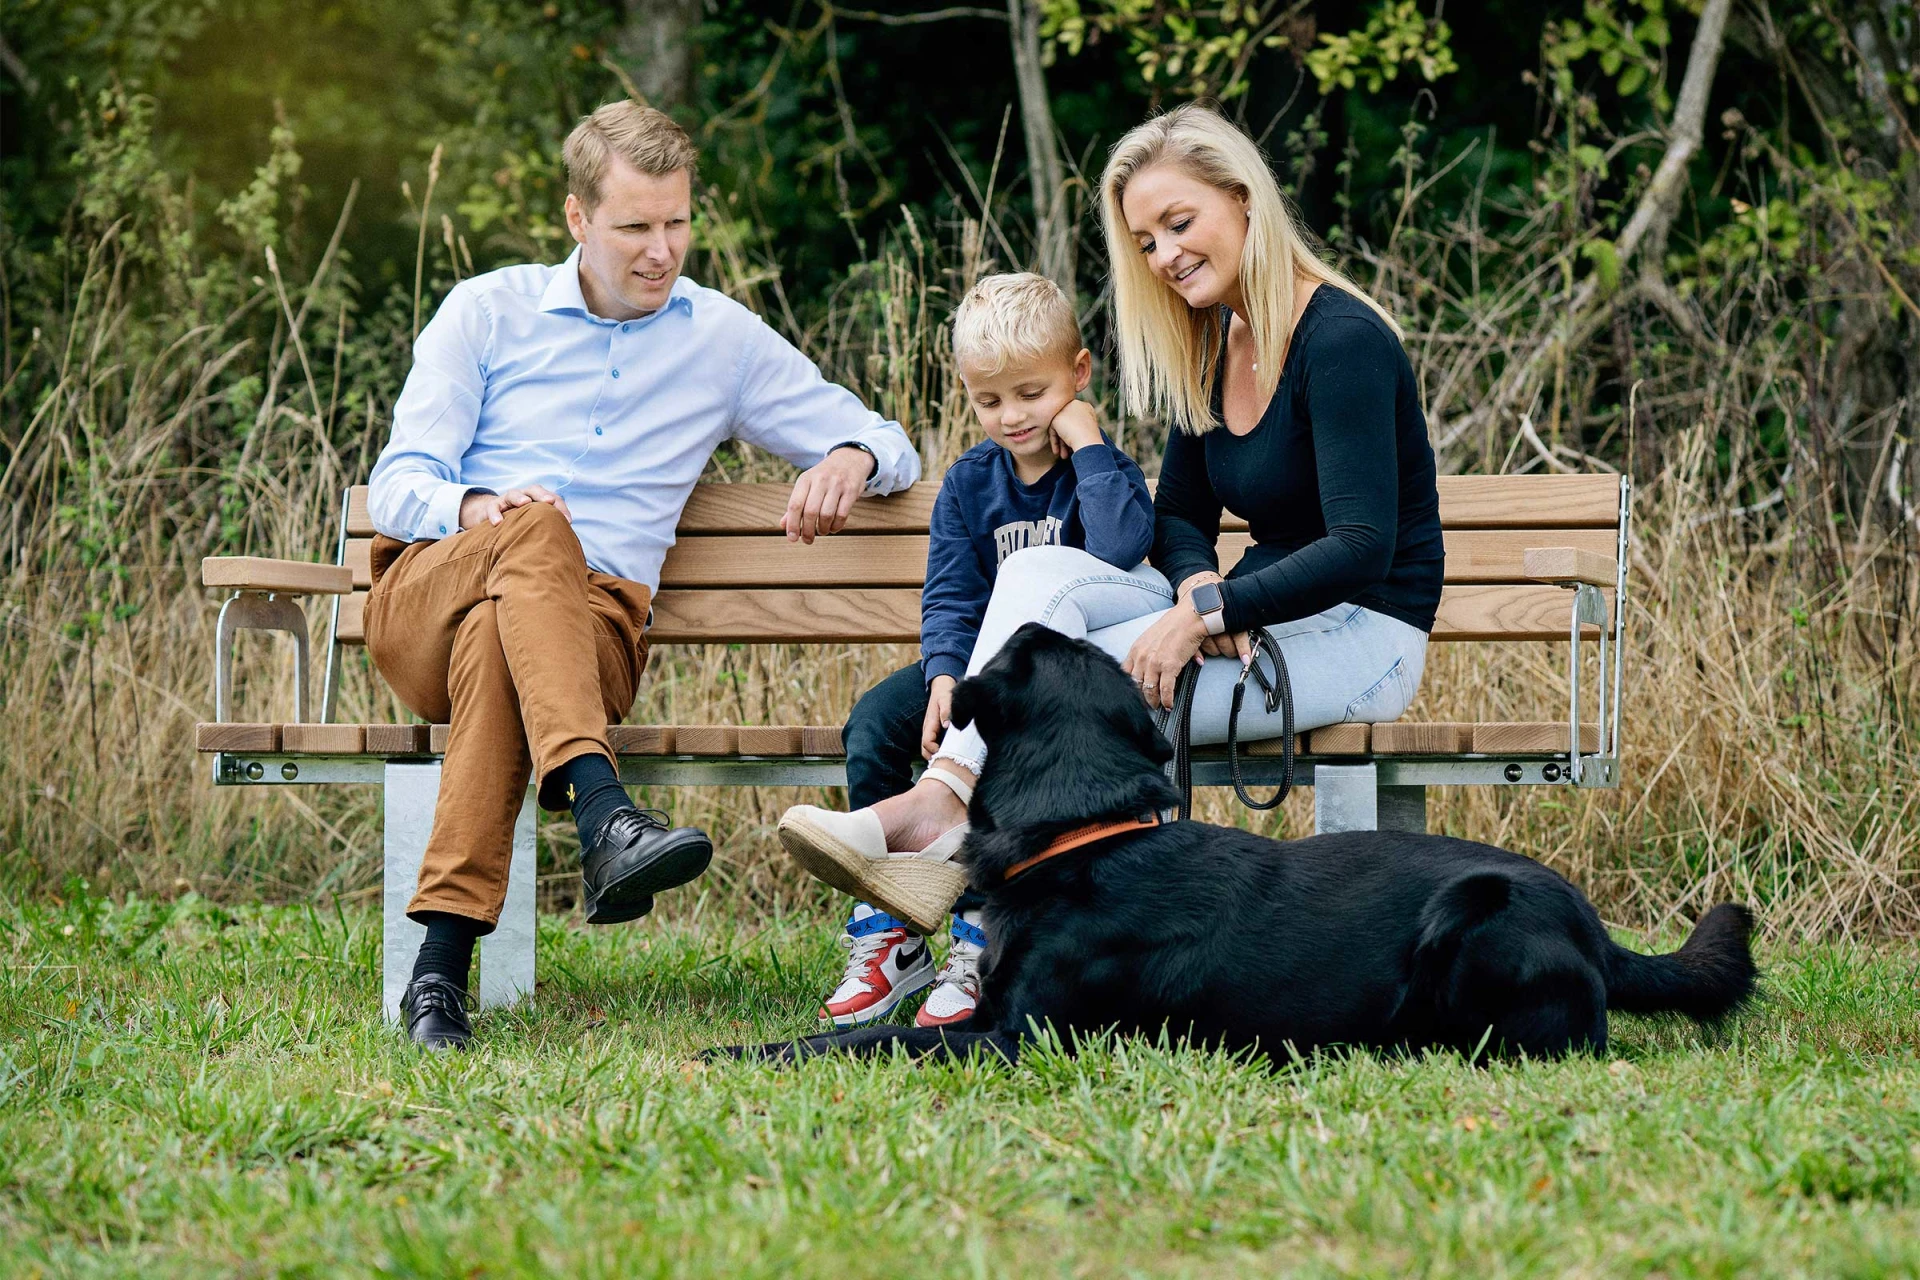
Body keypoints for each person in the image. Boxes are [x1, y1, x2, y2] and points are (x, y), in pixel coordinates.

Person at [777, 102, 1444, 930]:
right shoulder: (1208, 342)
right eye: (1145, 243)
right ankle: (944, 799)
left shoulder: (1341, 340)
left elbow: (1362, 546)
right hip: (1260, 611)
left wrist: (1207, 612)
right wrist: (1201, 584)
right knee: (1033, 575)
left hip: (1363, 634)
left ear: (1243, 198)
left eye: (1178, 223)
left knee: (1065, 699)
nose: (1165, 256)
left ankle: (968, 885)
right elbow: (1179, 516)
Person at [364, 101, 920, 1050]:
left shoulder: (723, 340)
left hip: (590, 636)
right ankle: (604, 809)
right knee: (535, 532)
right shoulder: (487, 311)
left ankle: (438, 980)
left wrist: (851, 462)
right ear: (577, 219)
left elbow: (886, 436)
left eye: (678, 223)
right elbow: (397, 483)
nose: (662, 251)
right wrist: (476, 508)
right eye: (635, 227)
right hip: (435, 594)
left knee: (512, 635)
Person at [784, 273, 1154, 1028]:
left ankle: (978, 935)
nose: (1012, 417)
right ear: (966, 392)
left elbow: (1122, 547)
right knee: (875, 722)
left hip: (1051, 689)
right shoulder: (968, 482)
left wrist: (1087, 442)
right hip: (970, 670)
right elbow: (950, 593)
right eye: (990, 401)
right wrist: (945, 673)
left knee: (1009, 752)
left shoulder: (1103, 475)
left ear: (1079, 376)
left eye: (1032, 392)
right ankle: (888, 924)